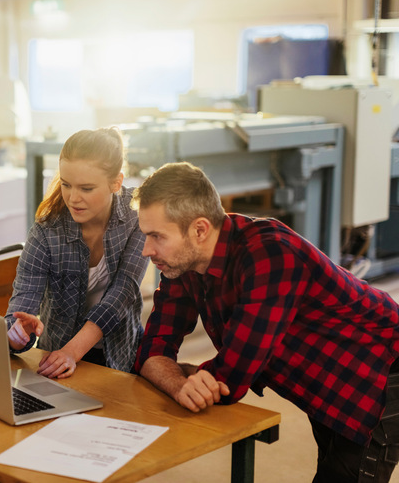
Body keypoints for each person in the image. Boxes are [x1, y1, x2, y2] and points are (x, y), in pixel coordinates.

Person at [132, 161, 399, 483]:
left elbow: (231, 378)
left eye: (156, 236)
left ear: (199, 229)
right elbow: (151, 351)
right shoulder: (183, 263)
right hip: (327, 381)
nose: (147, 250)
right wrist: (180, 382)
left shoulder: (271, 254)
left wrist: (190, 374)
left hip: (379, 375)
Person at [5, 127, 148, 379]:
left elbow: (122, 294)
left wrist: (72, 351)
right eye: (66, 184)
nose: (73, 198)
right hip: (57, 358)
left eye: (87, 188)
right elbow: (22, 302)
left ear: (117, 182)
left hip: (121, 353)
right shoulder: (46, 230)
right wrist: (16, 335)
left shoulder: (137, 214)